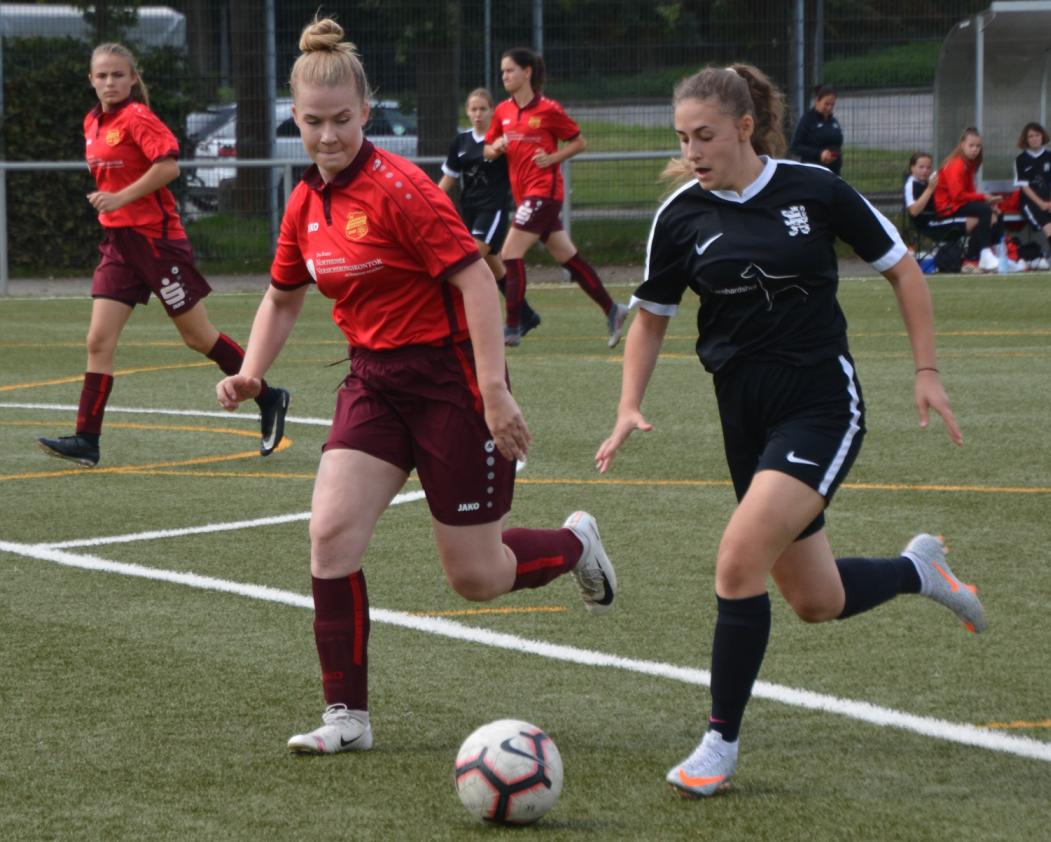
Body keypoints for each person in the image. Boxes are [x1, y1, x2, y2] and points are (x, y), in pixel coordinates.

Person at [215, 18, 618, 755]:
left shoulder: (402, 189)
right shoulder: (304, 202)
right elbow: (281, 295)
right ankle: (348, 717)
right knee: (329, 536)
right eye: (312, 122)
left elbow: (479, 281)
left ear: (366, 115)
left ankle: (573, 543)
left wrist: (494, 392)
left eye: (342, 120)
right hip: (372, 380)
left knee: (475, 577)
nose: (328, 136)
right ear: (294, 118)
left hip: (448, 381)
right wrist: (251, 370)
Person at [595, 65, 985, 798]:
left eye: (704, 135)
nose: (692, 151)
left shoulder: (815, 188)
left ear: (744, 127)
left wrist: (925, 370)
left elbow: (903, 271)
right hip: (741, 414)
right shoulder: (679, 215)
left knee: (736, 558)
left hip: (819, 403)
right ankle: (918, 571)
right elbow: (650, 316)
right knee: (816, 600)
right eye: (682, 138)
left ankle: (718, 742)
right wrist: (626, 405)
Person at [35, 42, 289, 468]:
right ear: (91, 80)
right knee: (98, 340)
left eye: (119, 75)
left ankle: (268, 396)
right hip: (118, 245)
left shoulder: (138, 117)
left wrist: (119, 198)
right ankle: (86, 440)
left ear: (133, 78)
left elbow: (168, 166)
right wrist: (116, 207)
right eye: (102, 75)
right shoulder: (92, 122)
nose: (110, 82)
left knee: (198, 337)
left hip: (156, 242)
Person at [483, 47, 629, 348]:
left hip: (544, 192)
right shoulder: (502, 111)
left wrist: (554, 158)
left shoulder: (548, 109)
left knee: (510, 253)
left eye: (510, 70)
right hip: (524, 195)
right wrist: (496, 147)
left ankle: (513, 327)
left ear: (527, 72)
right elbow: (487, 149)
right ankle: (613, 309)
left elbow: (579, 142)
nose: (504, 76)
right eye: (502, 72)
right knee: (567, 257)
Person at [438, 88, 541, 337]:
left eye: (483, 109)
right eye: (473, 109)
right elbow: (449, 178)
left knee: (466, 260)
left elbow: (523, 167)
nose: (478, 114)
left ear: (492, 110)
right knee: (494, 267)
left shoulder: (502, 140)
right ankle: (526, 315)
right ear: (467, 111)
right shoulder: (460, 142)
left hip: (493, 210)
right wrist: (429, 202)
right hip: (470, 211)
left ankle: (453, 323)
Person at [933, 127, 1007, 273]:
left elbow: (970, 191)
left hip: (957, 205)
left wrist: (985, 202)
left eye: (978, 146)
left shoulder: (969, 164)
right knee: (985, 212)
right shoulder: (956, 164)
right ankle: (976, 258)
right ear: (962, 145)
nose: (975, 149)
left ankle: (1001, 257)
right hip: (947, 208)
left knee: (996, 213)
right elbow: (958, 196)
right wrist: (984, 199)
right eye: (971, 145)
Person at [1014, 121, 1051, 267]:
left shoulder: (1049, 156)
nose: (1035, 138)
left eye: (1037, 135)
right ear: (1026, 139)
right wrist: (1041, 203)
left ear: (1042, 136)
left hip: (1048, 200)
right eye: (1031, 136)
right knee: (1049, 226)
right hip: (1031, 201)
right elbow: (1024, 187)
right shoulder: (1021, 160)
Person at [789, 84, 842, 175]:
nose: (829, 108)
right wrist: (819, 154)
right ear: (817, 100)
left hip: (833, 173)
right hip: (814, 172)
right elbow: (796, 146)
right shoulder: (808, 119)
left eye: (832, 104)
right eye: (826, 104)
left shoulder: (833, 121)